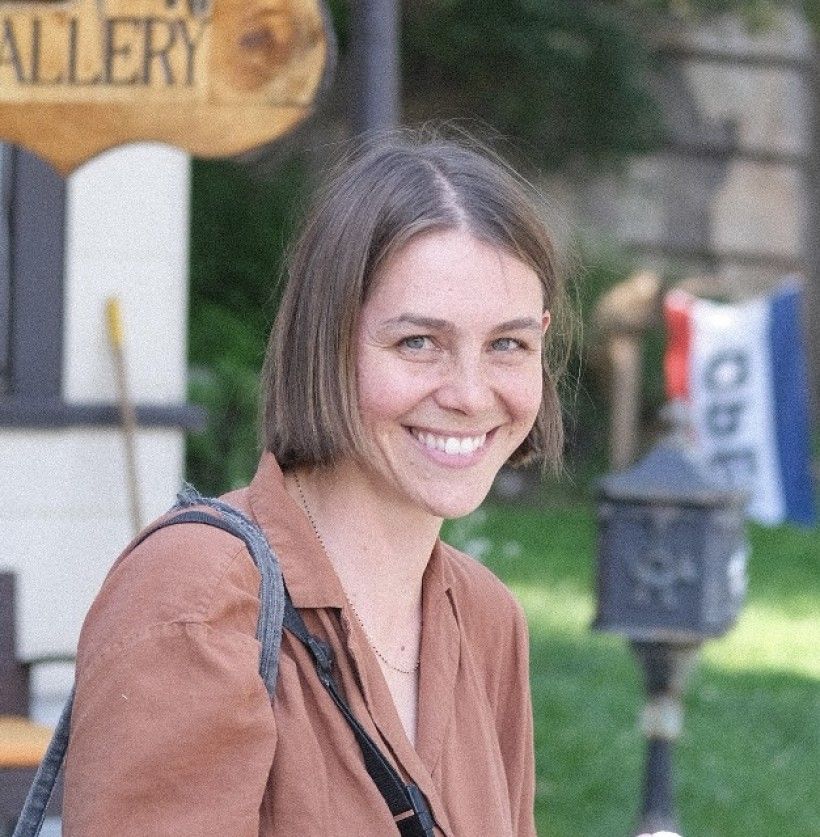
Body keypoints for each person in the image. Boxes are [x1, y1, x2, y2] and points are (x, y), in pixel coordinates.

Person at [63, 131, 567, 836]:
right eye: (418, 342)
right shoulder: (201, 599)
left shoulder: (487, 620)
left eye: (508, 344)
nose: (470, 391)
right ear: (325, 341)